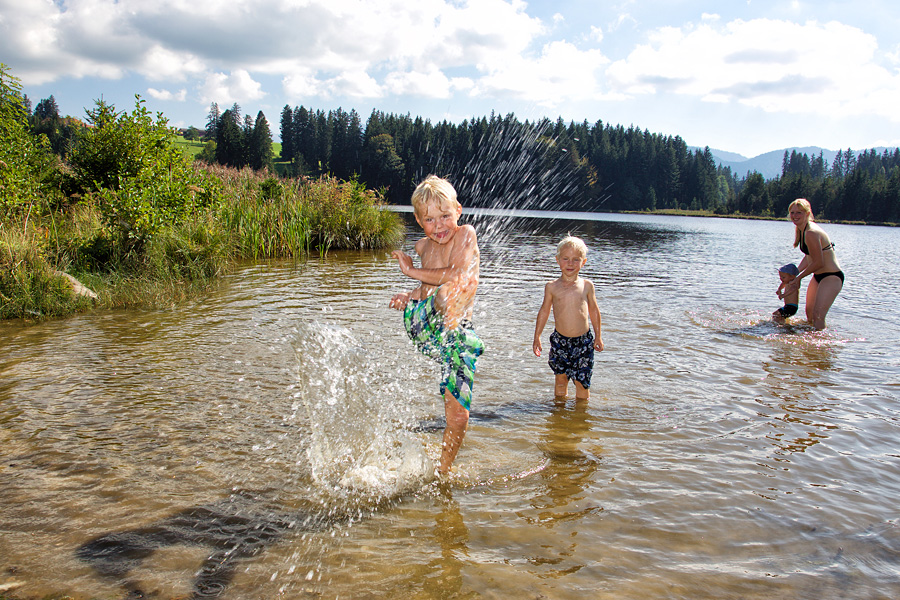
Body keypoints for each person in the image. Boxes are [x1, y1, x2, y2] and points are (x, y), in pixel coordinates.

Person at [389, 175, 483, 477]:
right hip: (423, 324)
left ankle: (442, 471)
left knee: (457, 415)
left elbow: (455, 272)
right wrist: (409, 295)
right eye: (429, 219)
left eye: (445, 216)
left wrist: (411, 273)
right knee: (442, 293)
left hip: (454, 333)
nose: (439, 226)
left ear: (458, 209)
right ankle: (451, 330)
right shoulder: (423, 246)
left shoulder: (465, 234)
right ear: (418, 219)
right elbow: (431, 288)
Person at [533, 235, 604, 400]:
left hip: (583, 342)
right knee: (560, 380)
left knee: (582, 382)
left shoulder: (587, 286)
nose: (570, 263)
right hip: (560, 342)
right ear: (558, 260)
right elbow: (544, 311)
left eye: (575, 259)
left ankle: (580, 417)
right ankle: (560, 418)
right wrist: (537, 336)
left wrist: (598, 336)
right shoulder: (552, 287)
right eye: (566, 259)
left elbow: (594, 310)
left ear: (583, 262)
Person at [781, 198, 844, 330]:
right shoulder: (801, 229)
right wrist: (793, 274)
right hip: (818, 276)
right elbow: (809, 255)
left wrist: (798, 279)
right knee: (810, 316)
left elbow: (819, 262)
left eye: (799, 212)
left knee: (818, 316)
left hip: (831, 277)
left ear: (807, 213)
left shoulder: (811, 232)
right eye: (792, 213)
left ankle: (822, 345)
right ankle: (812, 350)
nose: (795, 216)